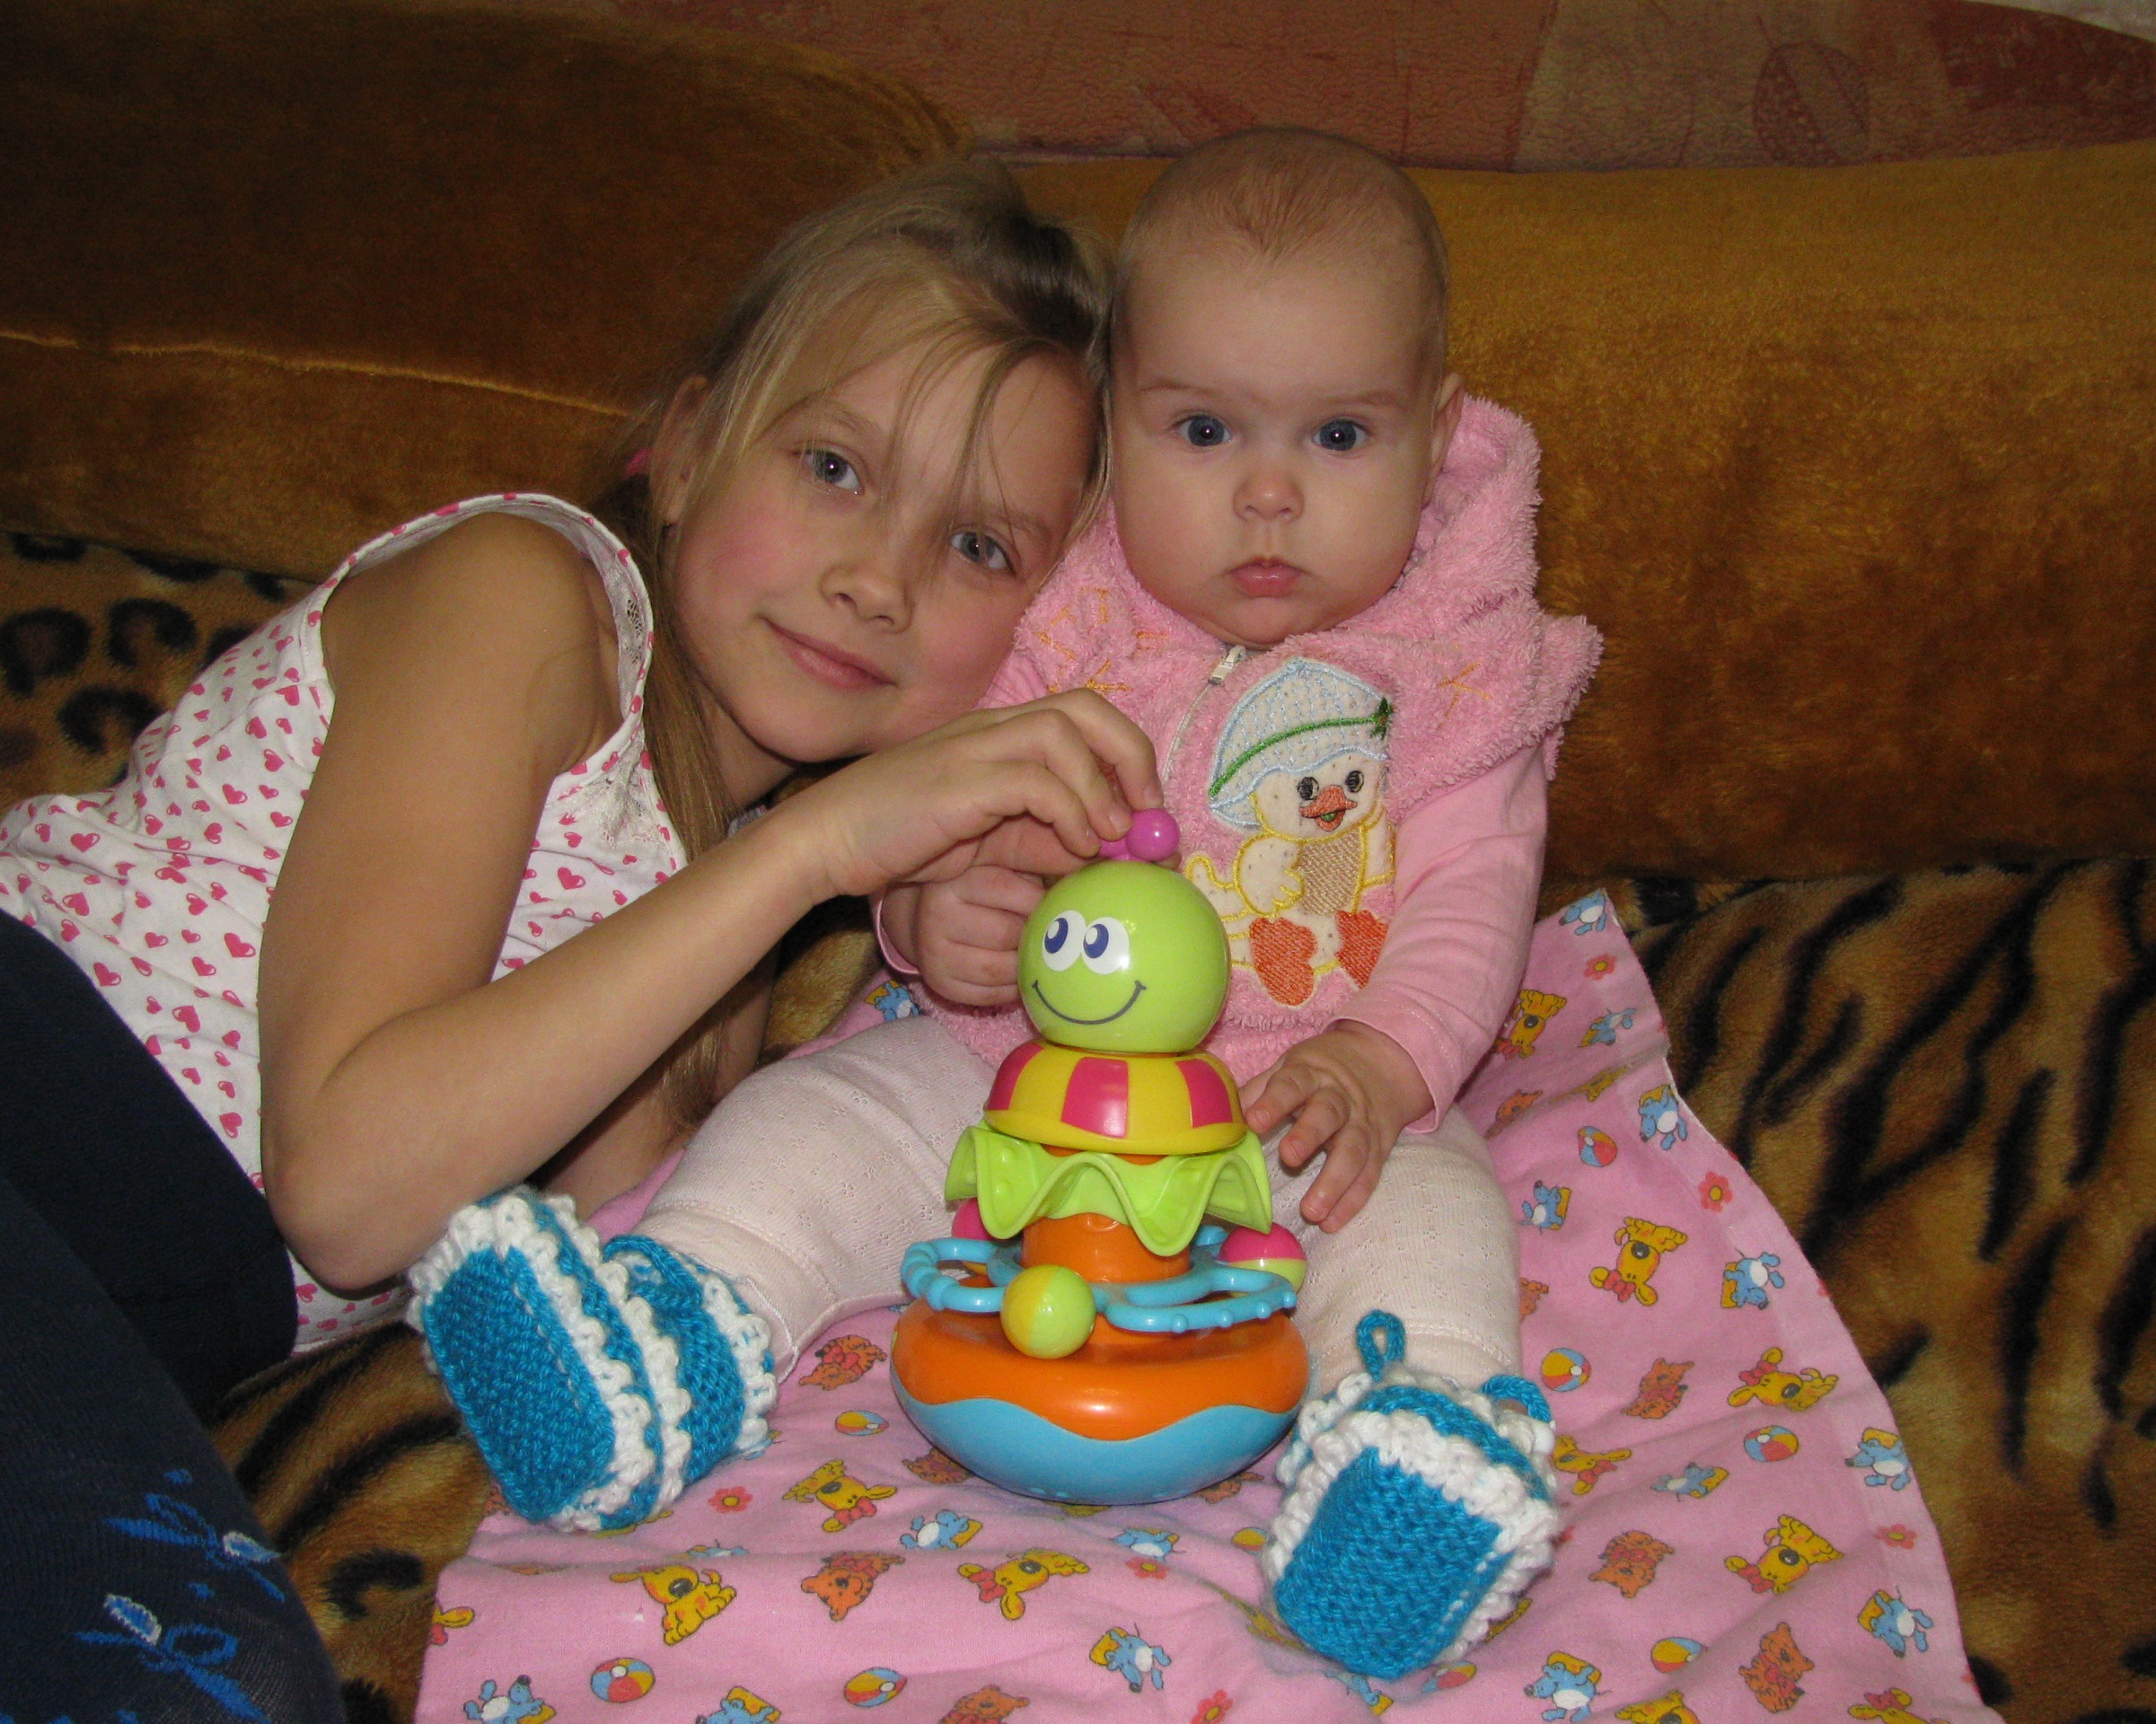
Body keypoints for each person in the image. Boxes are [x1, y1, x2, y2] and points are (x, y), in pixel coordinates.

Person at [413, 129, 1597, 1678]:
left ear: (1435, 440)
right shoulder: (1049, 599)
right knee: (814, 1117)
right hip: (1018, 1075)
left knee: (1434, 1220)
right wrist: (931, 921)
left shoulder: (1460, 670)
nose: (1266, 495)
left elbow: (1472, 901)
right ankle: (675, 1325)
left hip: (1304, 1102)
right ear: (1115, 423)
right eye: (1201, 430)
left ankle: (1413, 1451)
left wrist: (1385, 1064)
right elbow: (925, 810)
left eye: (1338, 437)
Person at [0, 160, 1142, 1718]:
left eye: (982, 548)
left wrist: (931, 914)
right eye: (833, 466)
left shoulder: (722, 899)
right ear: (684, 447)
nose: (877, 579)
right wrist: (816, 853)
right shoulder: (525, 599)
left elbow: (655, 1241)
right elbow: (347, 1185)